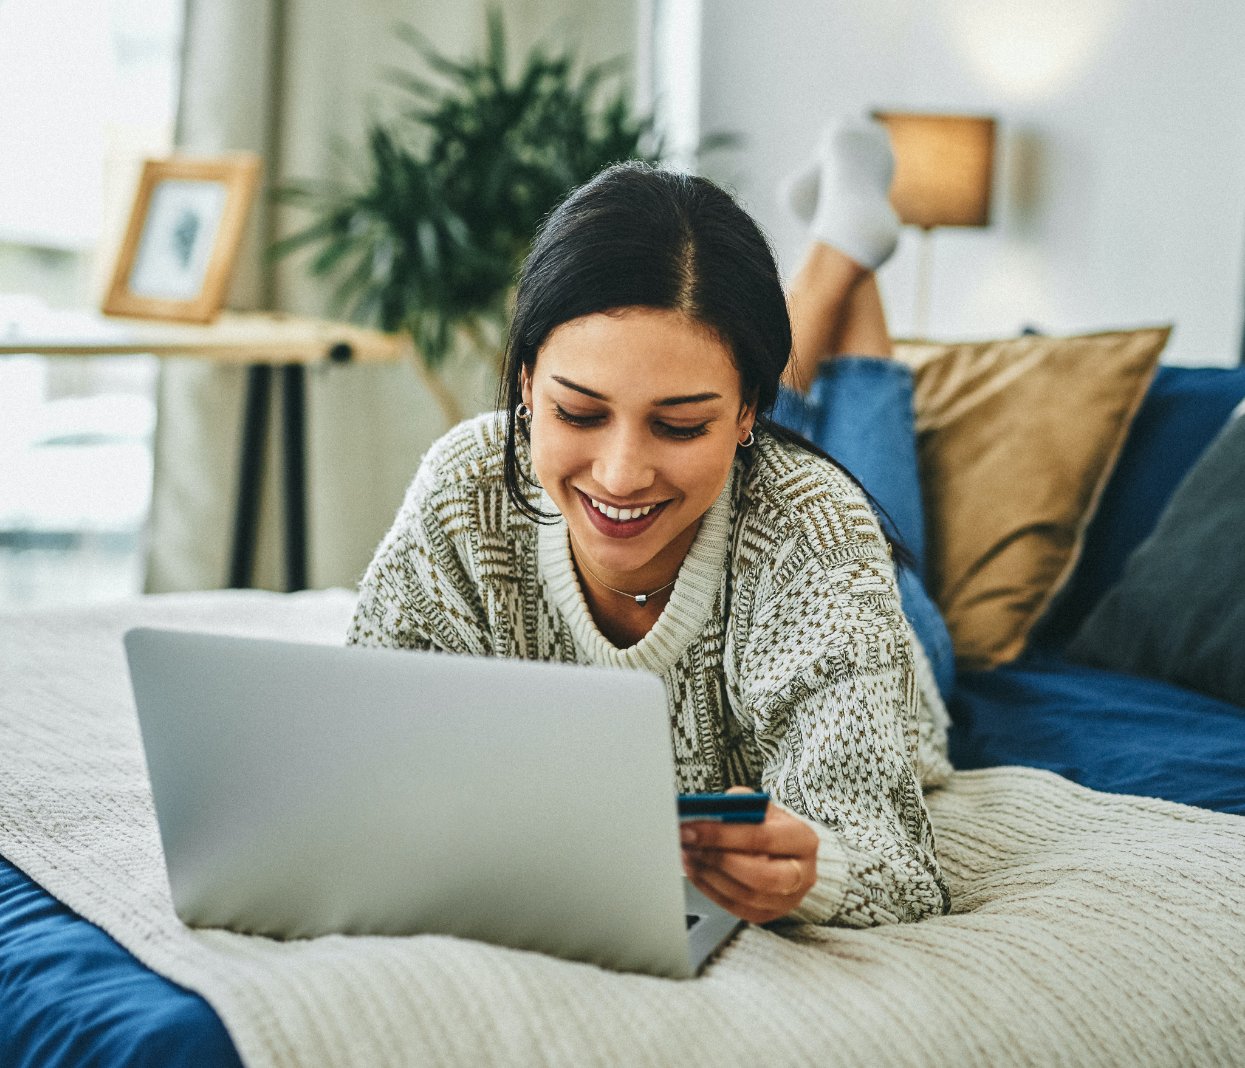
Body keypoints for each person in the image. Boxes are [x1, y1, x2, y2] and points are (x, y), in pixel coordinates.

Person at [348, 119, 952, 928]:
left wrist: (817, 874)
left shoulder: (820, 538)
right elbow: (358, 745)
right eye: (577, 411)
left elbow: (896, 868)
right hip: (743, 491)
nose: (619, 473)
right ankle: (847, 240)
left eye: (678, 425)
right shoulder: (467, 485)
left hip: (888, 629)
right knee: (766, 467)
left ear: (745, 415)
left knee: (860, 503)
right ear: (526, 382)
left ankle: (844, 245)